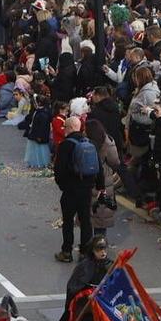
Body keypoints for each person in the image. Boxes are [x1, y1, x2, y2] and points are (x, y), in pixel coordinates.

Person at [52, 103, 103, 263]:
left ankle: (67, 251)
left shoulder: (66, 145)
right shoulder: (90, 143)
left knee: (68, 221)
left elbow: (59, 169)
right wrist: (99, 185)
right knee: (86, 221)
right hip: (86, 188)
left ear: (68, 128)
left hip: (70, 189)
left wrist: (62, 185)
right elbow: (98, 166)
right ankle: (85, 252)